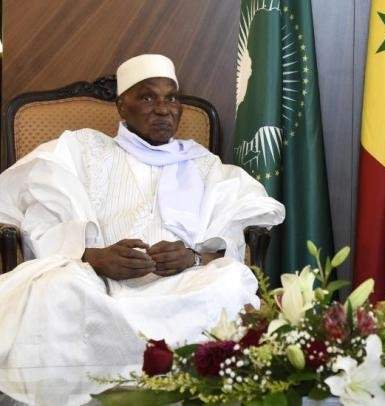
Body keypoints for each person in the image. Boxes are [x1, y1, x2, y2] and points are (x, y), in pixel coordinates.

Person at [0, 54, 285, 368]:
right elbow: (38, 214)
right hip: (100, 286)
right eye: (148, 97)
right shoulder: (82, 149)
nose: (163, 108)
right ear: (122, 106)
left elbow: (235, 233)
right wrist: (92, 256)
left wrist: (192, 257)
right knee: (57, 288)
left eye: (171, 98)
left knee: (230, 282)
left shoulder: (204, 165)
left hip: (183, 287)